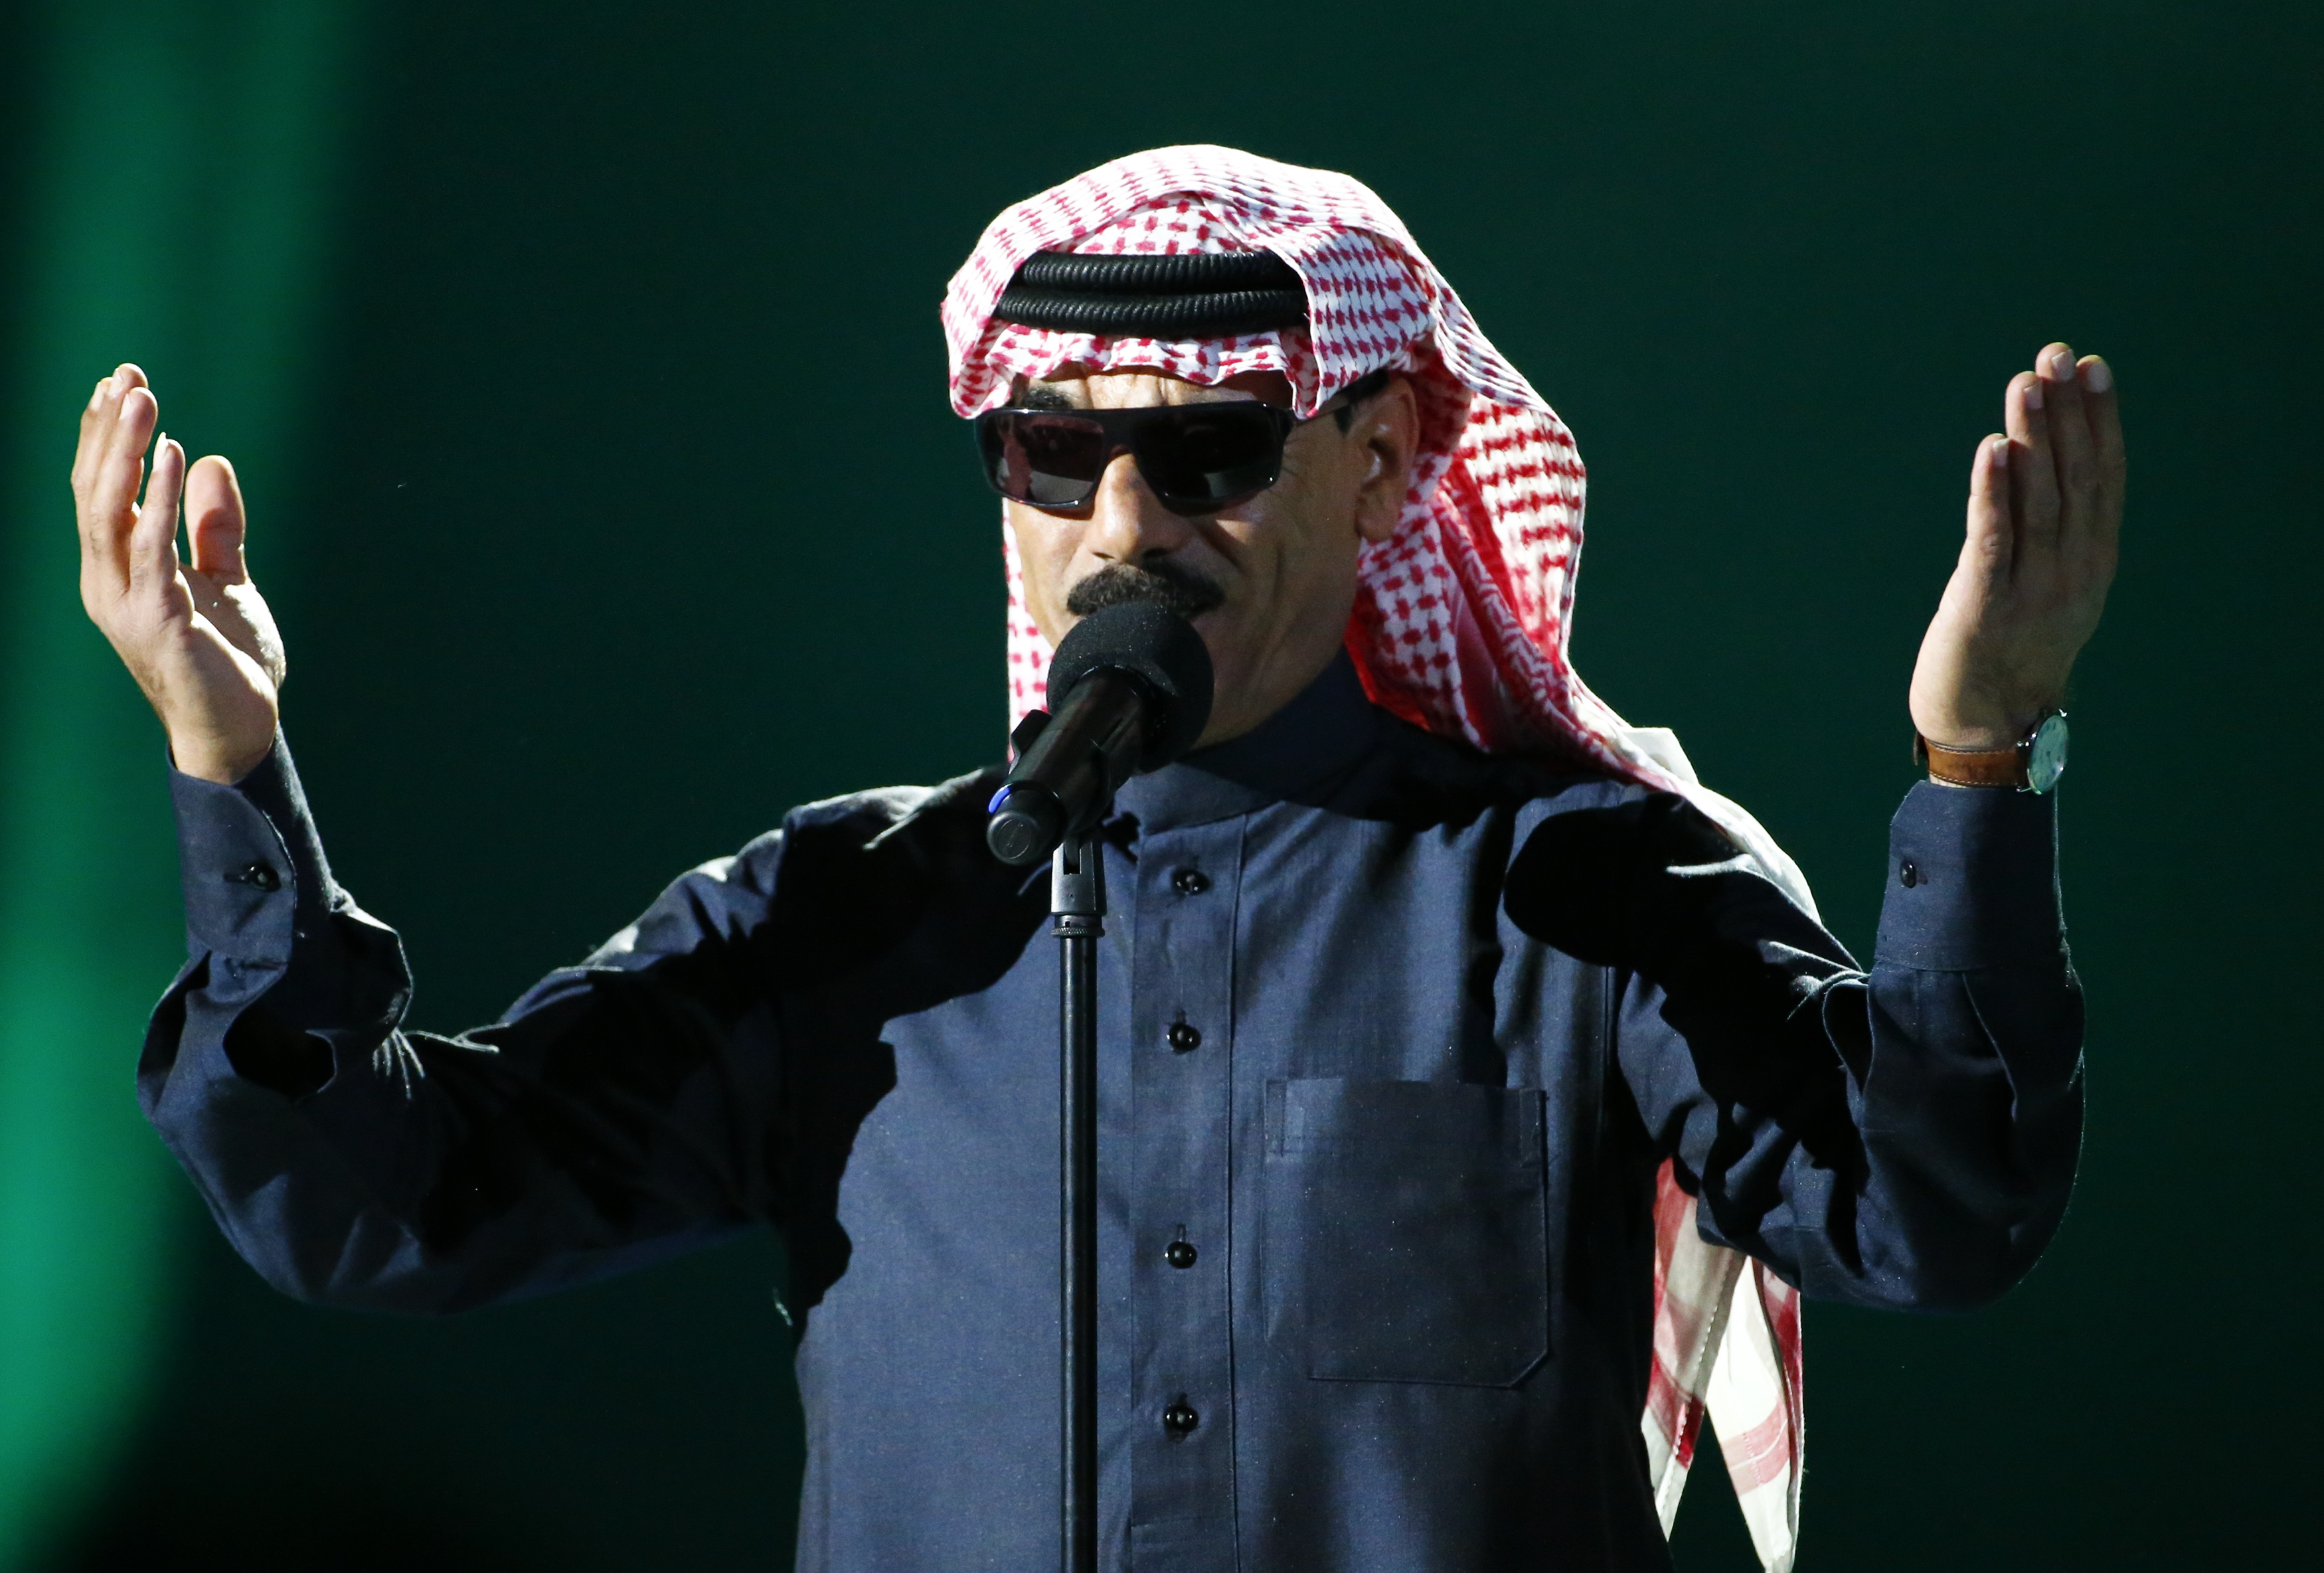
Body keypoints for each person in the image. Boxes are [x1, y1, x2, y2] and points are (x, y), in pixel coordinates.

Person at [72, 147, 2119, 1573]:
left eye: (1208, 450)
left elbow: (1934, 1215)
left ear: (1385, 457)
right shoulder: (847, 920)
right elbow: (384, 1214)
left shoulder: (1580, 893)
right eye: (1059, 452)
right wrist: (227, 756)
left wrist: (1975, 752)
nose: (1125, 522)